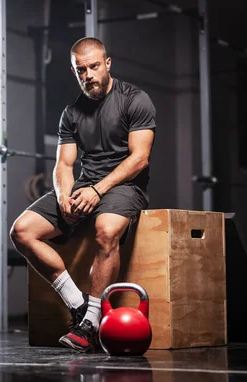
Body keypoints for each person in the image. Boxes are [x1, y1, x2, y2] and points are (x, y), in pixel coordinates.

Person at [10, 37, 156, 353]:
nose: (87, 74)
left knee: (106, 231)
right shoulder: (72, 112)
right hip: (84, 186)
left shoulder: (135, 99)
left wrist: (98, 189)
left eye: (92, 66)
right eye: (80, 70)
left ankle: (89, 325)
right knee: (22, 231)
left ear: (107, 64)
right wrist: (64, 195)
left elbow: (139, 158)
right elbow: (64, 164)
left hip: (124, 187)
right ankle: (80, 307)